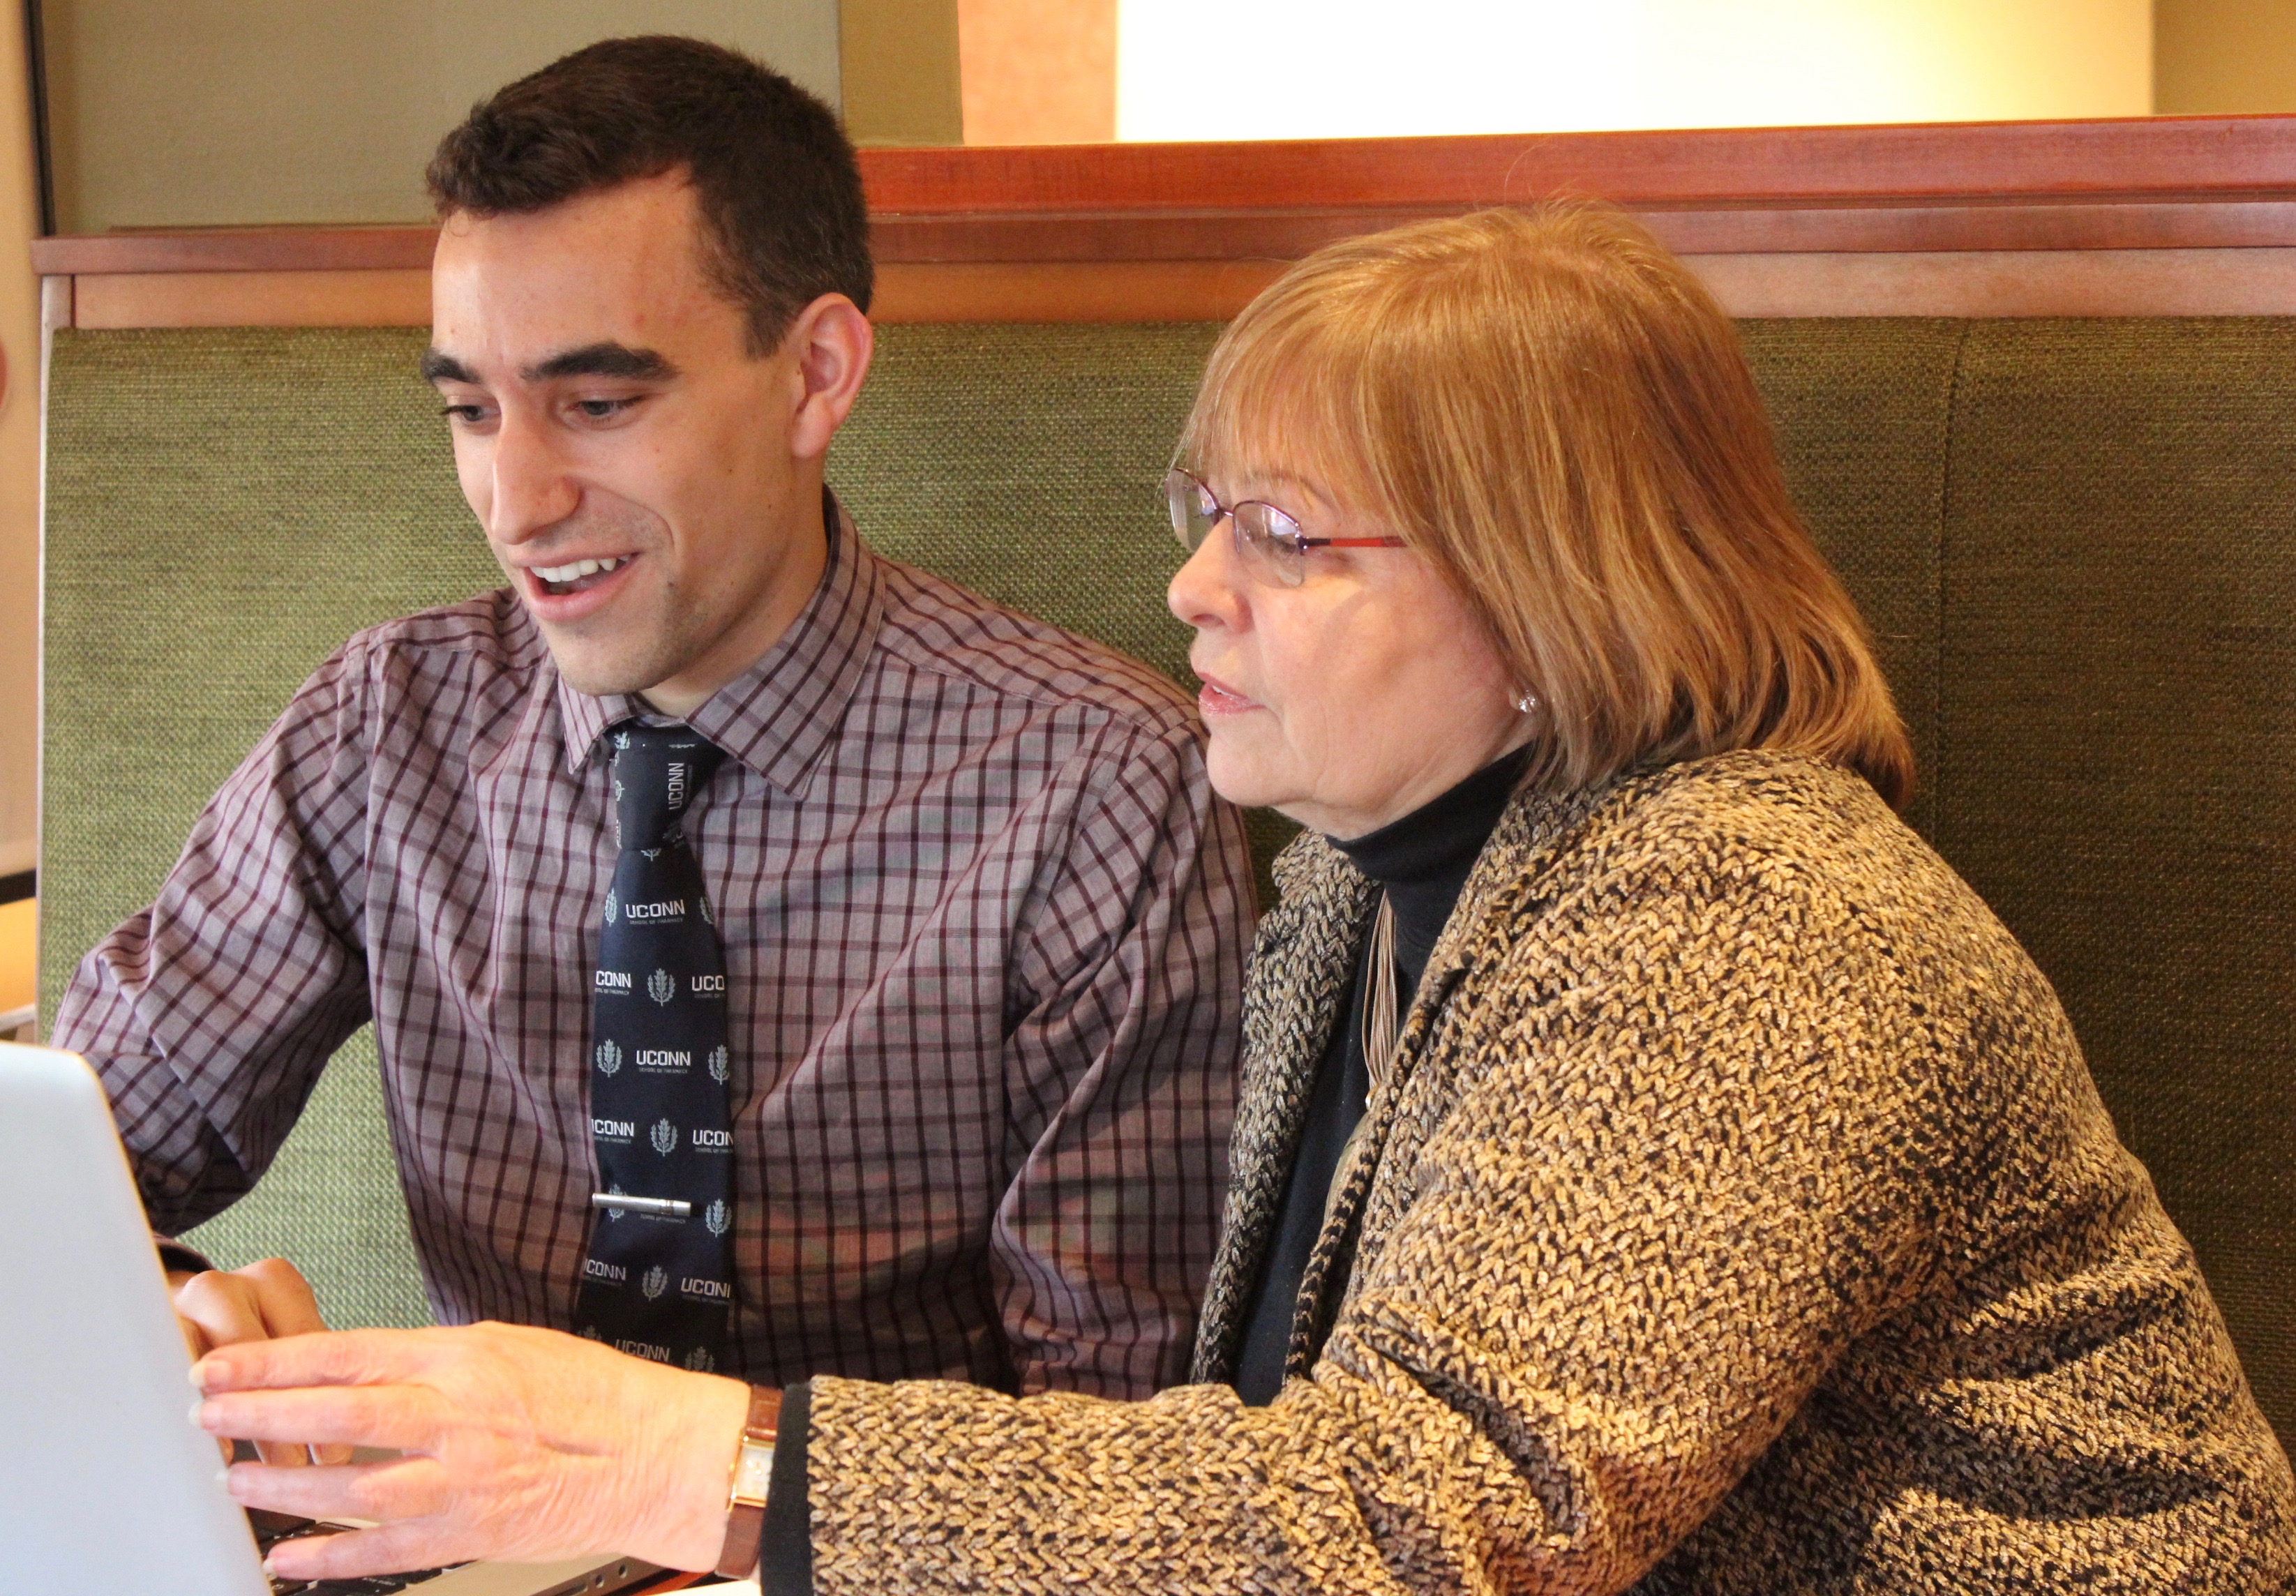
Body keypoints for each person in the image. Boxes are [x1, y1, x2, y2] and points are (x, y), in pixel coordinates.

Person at [196, 205, 2296, 1591]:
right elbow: (1238, 1472)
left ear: (1557, 598)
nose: (1192, 589)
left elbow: (1433, 1515)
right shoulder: (1346, 904)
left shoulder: (1747, 918)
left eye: (1283, 537)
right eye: (1205, 517)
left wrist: (698, 1463)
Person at [57, 36, 1252, 1440]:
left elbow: (1120, 1446)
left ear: (815, 373)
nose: (514, 499)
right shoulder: (386, 725)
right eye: (468, 409)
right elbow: (73, 1155)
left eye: (599, 404)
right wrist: (161, 1300)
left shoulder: (1091, 783)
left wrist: (664, 1473)